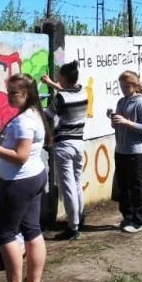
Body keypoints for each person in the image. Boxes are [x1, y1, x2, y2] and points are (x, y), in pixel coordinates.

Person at [0, 73, 51, 282]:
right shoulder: (34, 114)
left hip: (19, 183)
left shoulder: (24, 121)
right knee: (32, 230)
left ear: (25, 94)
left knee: (6, 233)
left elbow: (20, 156)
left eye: (13, 93)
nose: (9, 97)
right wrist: (0, 139)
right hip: (34, 178)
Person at [42, 60, 88, 241]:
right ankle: (79, 218)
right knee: (77, 183)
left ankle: (72, 227)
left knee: (67, 186)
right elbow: (67, 90)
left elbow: (48, 115)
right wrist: (52, 84)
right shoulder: (82, 91)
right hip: (79, 143)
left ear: (63, 77)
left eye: (59, 77)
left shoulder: (60, 98)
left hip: (64, 145)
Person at [110, 70, 142, 233]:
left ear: (134, 86)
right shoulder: (121, 102)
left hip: (136, 152)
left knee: (136, 186)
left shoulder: (141, 104)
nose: (124, 89)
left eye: (127, 86)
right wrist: (114, 120)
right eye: (121, 86)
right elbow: (117, 125)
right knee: (123, 186)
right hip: (120, 149)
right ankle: (127, 217)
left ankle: (139, 220)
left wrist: (127, 122)